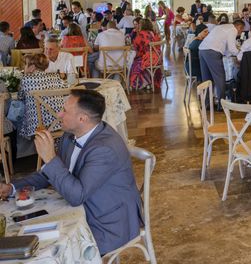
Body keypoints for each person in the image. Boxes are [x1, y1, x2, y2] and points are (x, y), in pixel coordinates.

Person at [1, 89, 143, 255]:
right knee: (25, 230)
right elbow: (49, 174)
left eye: (65, 111)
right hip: (82, 207)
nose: (59, 114)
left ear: (82, 119)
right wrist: (11, 188)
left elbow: (76, 196)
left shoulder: (104, 149)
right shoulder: (70, 136)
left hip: (108, 222)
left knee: (44, 249)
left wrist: (51, 159)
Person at [17, 53, 68, 138]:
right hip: (59, 122)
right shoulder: (55, 76)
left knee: (19, 115)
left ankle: (25, 149)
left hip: (37, 127)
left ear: (32, 67)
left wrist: (26, 73)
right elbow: (65, 89)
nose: (24, 67)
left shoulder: (26, 79)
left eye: (26, 65)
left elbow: (20, 97)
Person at [199, 20, 244, 105]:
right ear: (239, 27)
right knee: (220, 78)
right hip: (212, 51)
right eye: (241, 31)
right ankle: (221, 104)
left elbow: (226, 49)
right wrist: (240, 53)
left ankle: (206, 103)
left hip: (202, 49)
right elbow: (231, 48)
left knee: (206, 80)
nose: (240, 33)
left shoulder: (223, 27)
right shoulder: (233, 29)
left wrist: (231, 54)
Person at [129, 19, 162, 91]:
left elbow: (136, 47)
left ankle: (141, 83)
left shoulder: (141, 34)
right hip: (157, 58)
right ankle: (149, 81)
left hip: (149, 59)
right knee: (138, 59)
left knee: (134, 62)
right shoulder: (153, 33)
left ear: (142, 25)